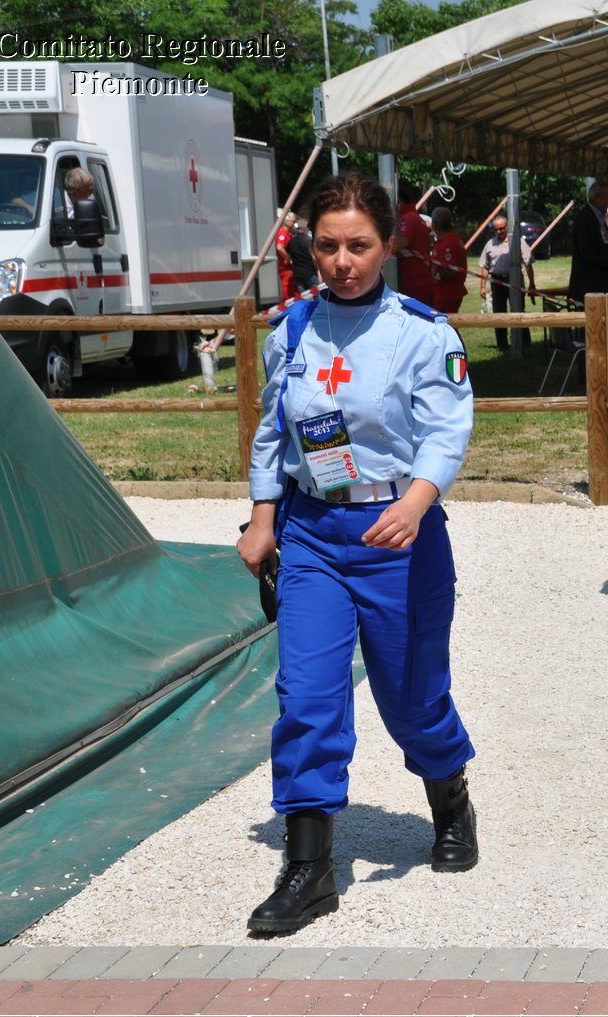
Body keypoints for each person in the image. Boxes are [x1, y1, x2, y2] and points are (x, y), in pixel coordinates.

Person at [236, 170, 479, 935]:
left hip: (396, 537)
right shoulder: (293, 331)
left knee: (411, 699)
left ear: (388, 245)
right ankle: (309, 866)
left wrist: (415, 503)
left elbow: (446, 431)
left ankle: (450, 795)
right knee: (306, 694)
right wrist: (262, 514)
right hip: (313, 533)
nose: (342, 261)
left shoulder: (422, 332)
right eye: (329, 244)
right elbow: (276, 431)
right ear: (310, 241)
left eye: (359, 246)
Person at [478, 215, 537, 349]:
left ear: (507, 227)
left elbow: (528, 264)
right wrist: (482, 287)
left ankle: (524, 343)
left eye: (502, 228)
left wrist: (532, 284)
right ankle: (502, 345)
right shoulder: (490, 244)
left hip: (515, 280)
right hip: (497, 282)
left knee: (518, 311)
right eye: (496, 229)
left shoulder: (517, 242)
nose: (499, 232)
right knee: (499, 314)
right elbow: (485, 266)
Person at [568, 178, 608, 308]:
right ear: (597, 197)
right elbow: (588, 252)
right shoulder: (584, 219)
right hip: (589, 286)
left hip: (601, 285)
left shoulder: (598, 217)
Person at [390, 180, 435, 306]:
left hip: (414, 283)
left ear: (399, 202)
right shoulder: (415, 217)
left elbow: (400, 243)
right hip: (418, 281)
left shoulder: (408, 218)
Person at [428, 206, 468, 314]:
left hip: (447, 293)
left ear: (435, 224)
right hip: (444, 292)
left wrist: (434, 275)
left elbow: (451, 270)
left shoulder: (448, 243)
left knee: (446, 325)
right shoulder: (447, 240)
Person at [287, 217, 317, 294]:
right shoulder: (307, 240)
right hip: (309, 272)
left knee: (303, 297)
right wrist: (318, 269)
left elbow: (289, 255)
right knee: (318, 294)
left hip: (297, 274)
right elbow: (313, 256)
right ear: (306, 228)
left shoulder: (291, 241)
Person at [275, 210, 297, 299]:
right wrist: (288, 258)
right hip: (285, 266)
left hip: (287, 267)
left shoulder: (288, 233)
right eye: (293, 221)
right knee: (287, 288)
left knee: (292, 288)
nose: (294, 223)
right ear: (286, 221)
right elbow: (279, 247)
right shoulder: (283, 233)